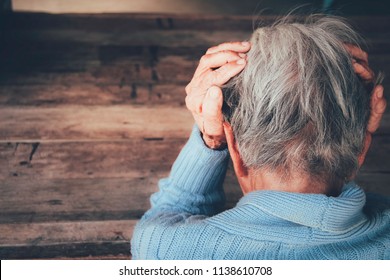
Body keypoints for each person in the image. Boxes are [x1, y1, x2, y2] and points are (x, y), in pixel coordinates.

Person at [131, 15, 389, 259]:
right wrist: (356, 133)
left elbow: (167, 217)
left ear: (236, 152)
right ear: (361, 152)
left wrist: (210, 139)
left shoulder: (166, 251)